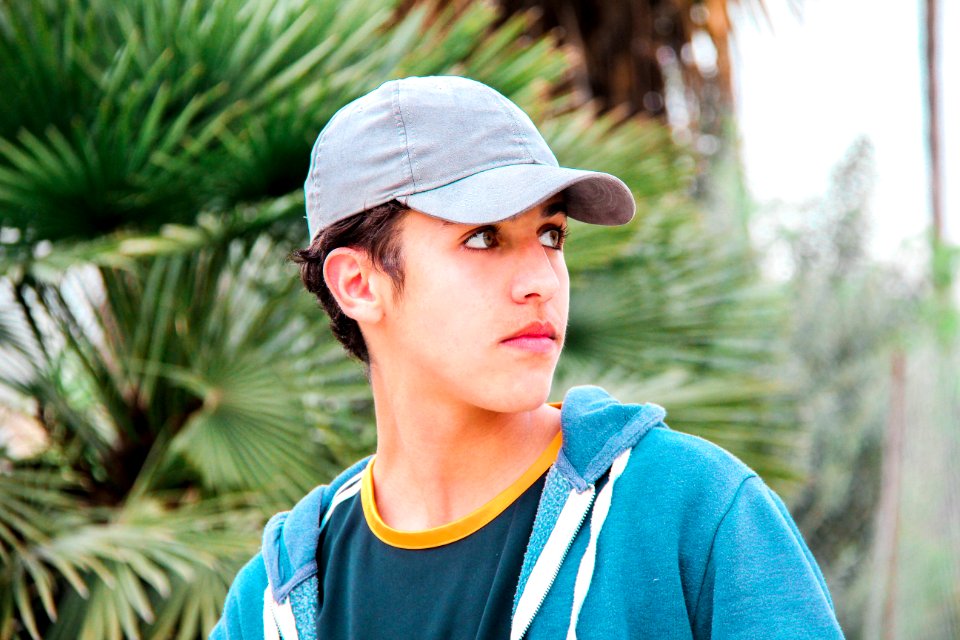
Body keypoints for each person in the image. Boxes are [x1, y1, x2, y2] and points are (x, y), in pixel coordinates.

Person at [210, 76, 844, 640]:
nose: (542, 278)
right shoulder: (273, 603)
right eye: (483, 237)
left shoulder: (692, 510)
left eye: (551, 234)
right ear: (358, 284)